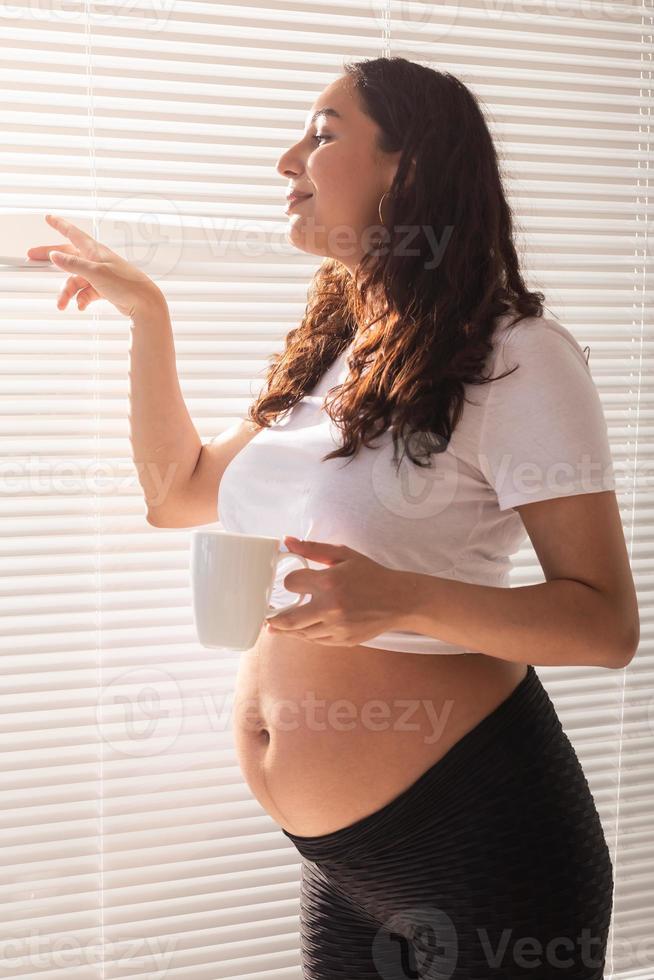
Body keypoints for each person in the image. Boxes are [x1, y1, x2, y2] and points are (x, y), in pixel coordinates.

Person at [28, 56, 639, 980]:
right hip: (343, 863)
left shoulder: (520, 356)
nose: (287, 161)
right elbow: (178, 492)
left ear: (411, 166)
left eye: (322, 134)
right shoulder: (340, 351)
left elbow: (605, 625)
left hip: (481, 838)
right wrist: (148, 316)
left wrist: (402, 598)